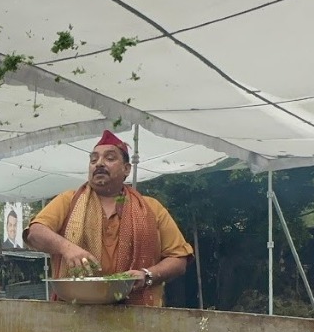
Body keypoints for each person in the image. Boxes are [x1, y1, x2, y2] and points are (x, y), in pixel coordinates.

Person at [24, 130, 193, 307]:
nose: (99, 164)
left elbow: (178, 259)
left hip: (137, 315)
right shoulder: (69, 201)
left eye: (110, 158)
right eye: (93, 160)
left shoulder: (151, 208)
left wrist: (147, 275)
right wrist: (67, 248)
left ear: (126, 169)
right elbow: (35, 232)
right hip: (74, 312)